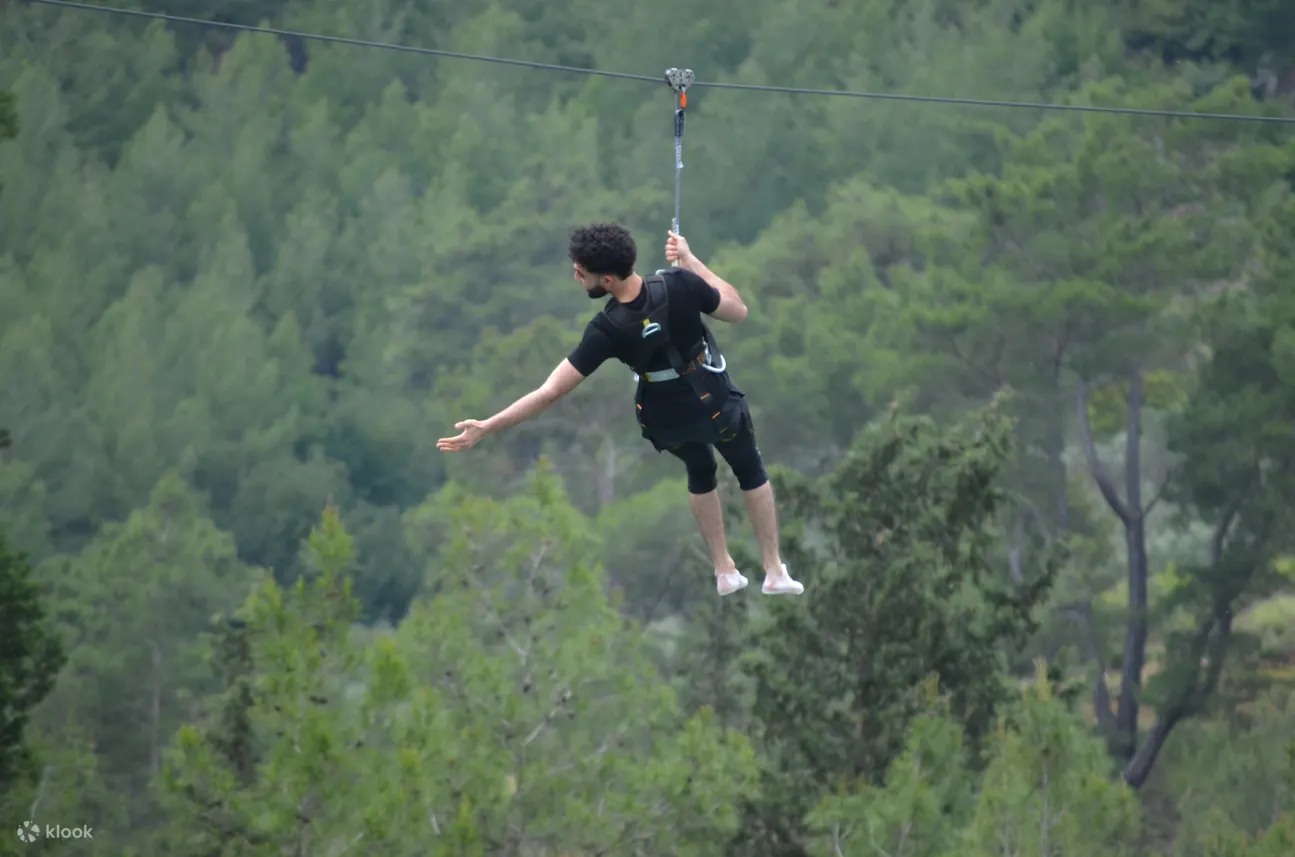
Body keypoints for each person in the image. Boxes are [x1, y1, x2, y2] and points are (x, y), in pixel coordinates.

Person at [436, 223, 804, 597]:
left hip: (665, 421)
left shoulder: (606, 329)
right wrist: (692, 262)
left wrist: (488, 426)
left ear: (608, 280)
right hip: (714, 406)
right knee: (749, 468)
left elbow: (549, 393)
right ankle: (773, 570)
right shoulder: (679, 284)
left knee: (700, 468)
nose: (575, 277)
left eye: (581, 273)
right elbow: (737, 310)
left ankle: (723, 569)